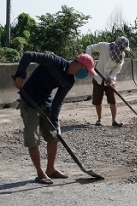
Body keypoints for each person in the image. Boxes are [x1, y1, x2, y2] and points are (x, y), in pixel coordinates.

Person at [13, 52, 97, 184]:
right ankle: (40, 173)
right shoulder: (54, 61)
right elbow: (28, 55)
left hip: (45, 102)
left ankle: (50, 169)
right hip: (29, 101)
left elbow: (57, 103)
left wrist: (55, 123)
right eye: (86, 71)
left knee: (54, 136)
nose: (86, 74)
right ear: (81, 65)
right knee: (33, 139)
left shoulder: (70, 81)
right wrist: (20, 76)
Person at [86, 36, 130, 127]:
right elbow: (89, 48)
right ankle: (99, 119)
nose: (121, 50)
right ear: (117, 45)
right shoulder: (104, 46)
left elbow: (118, 68)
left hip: (110, 81)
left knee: (112, 100)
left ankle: (114, 121)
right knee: (97, 100)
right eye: (121, 47)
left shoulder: (122, 55)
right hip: (98, 78)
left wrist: (110, 77)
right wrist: (89, 60)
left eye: (123, 49)